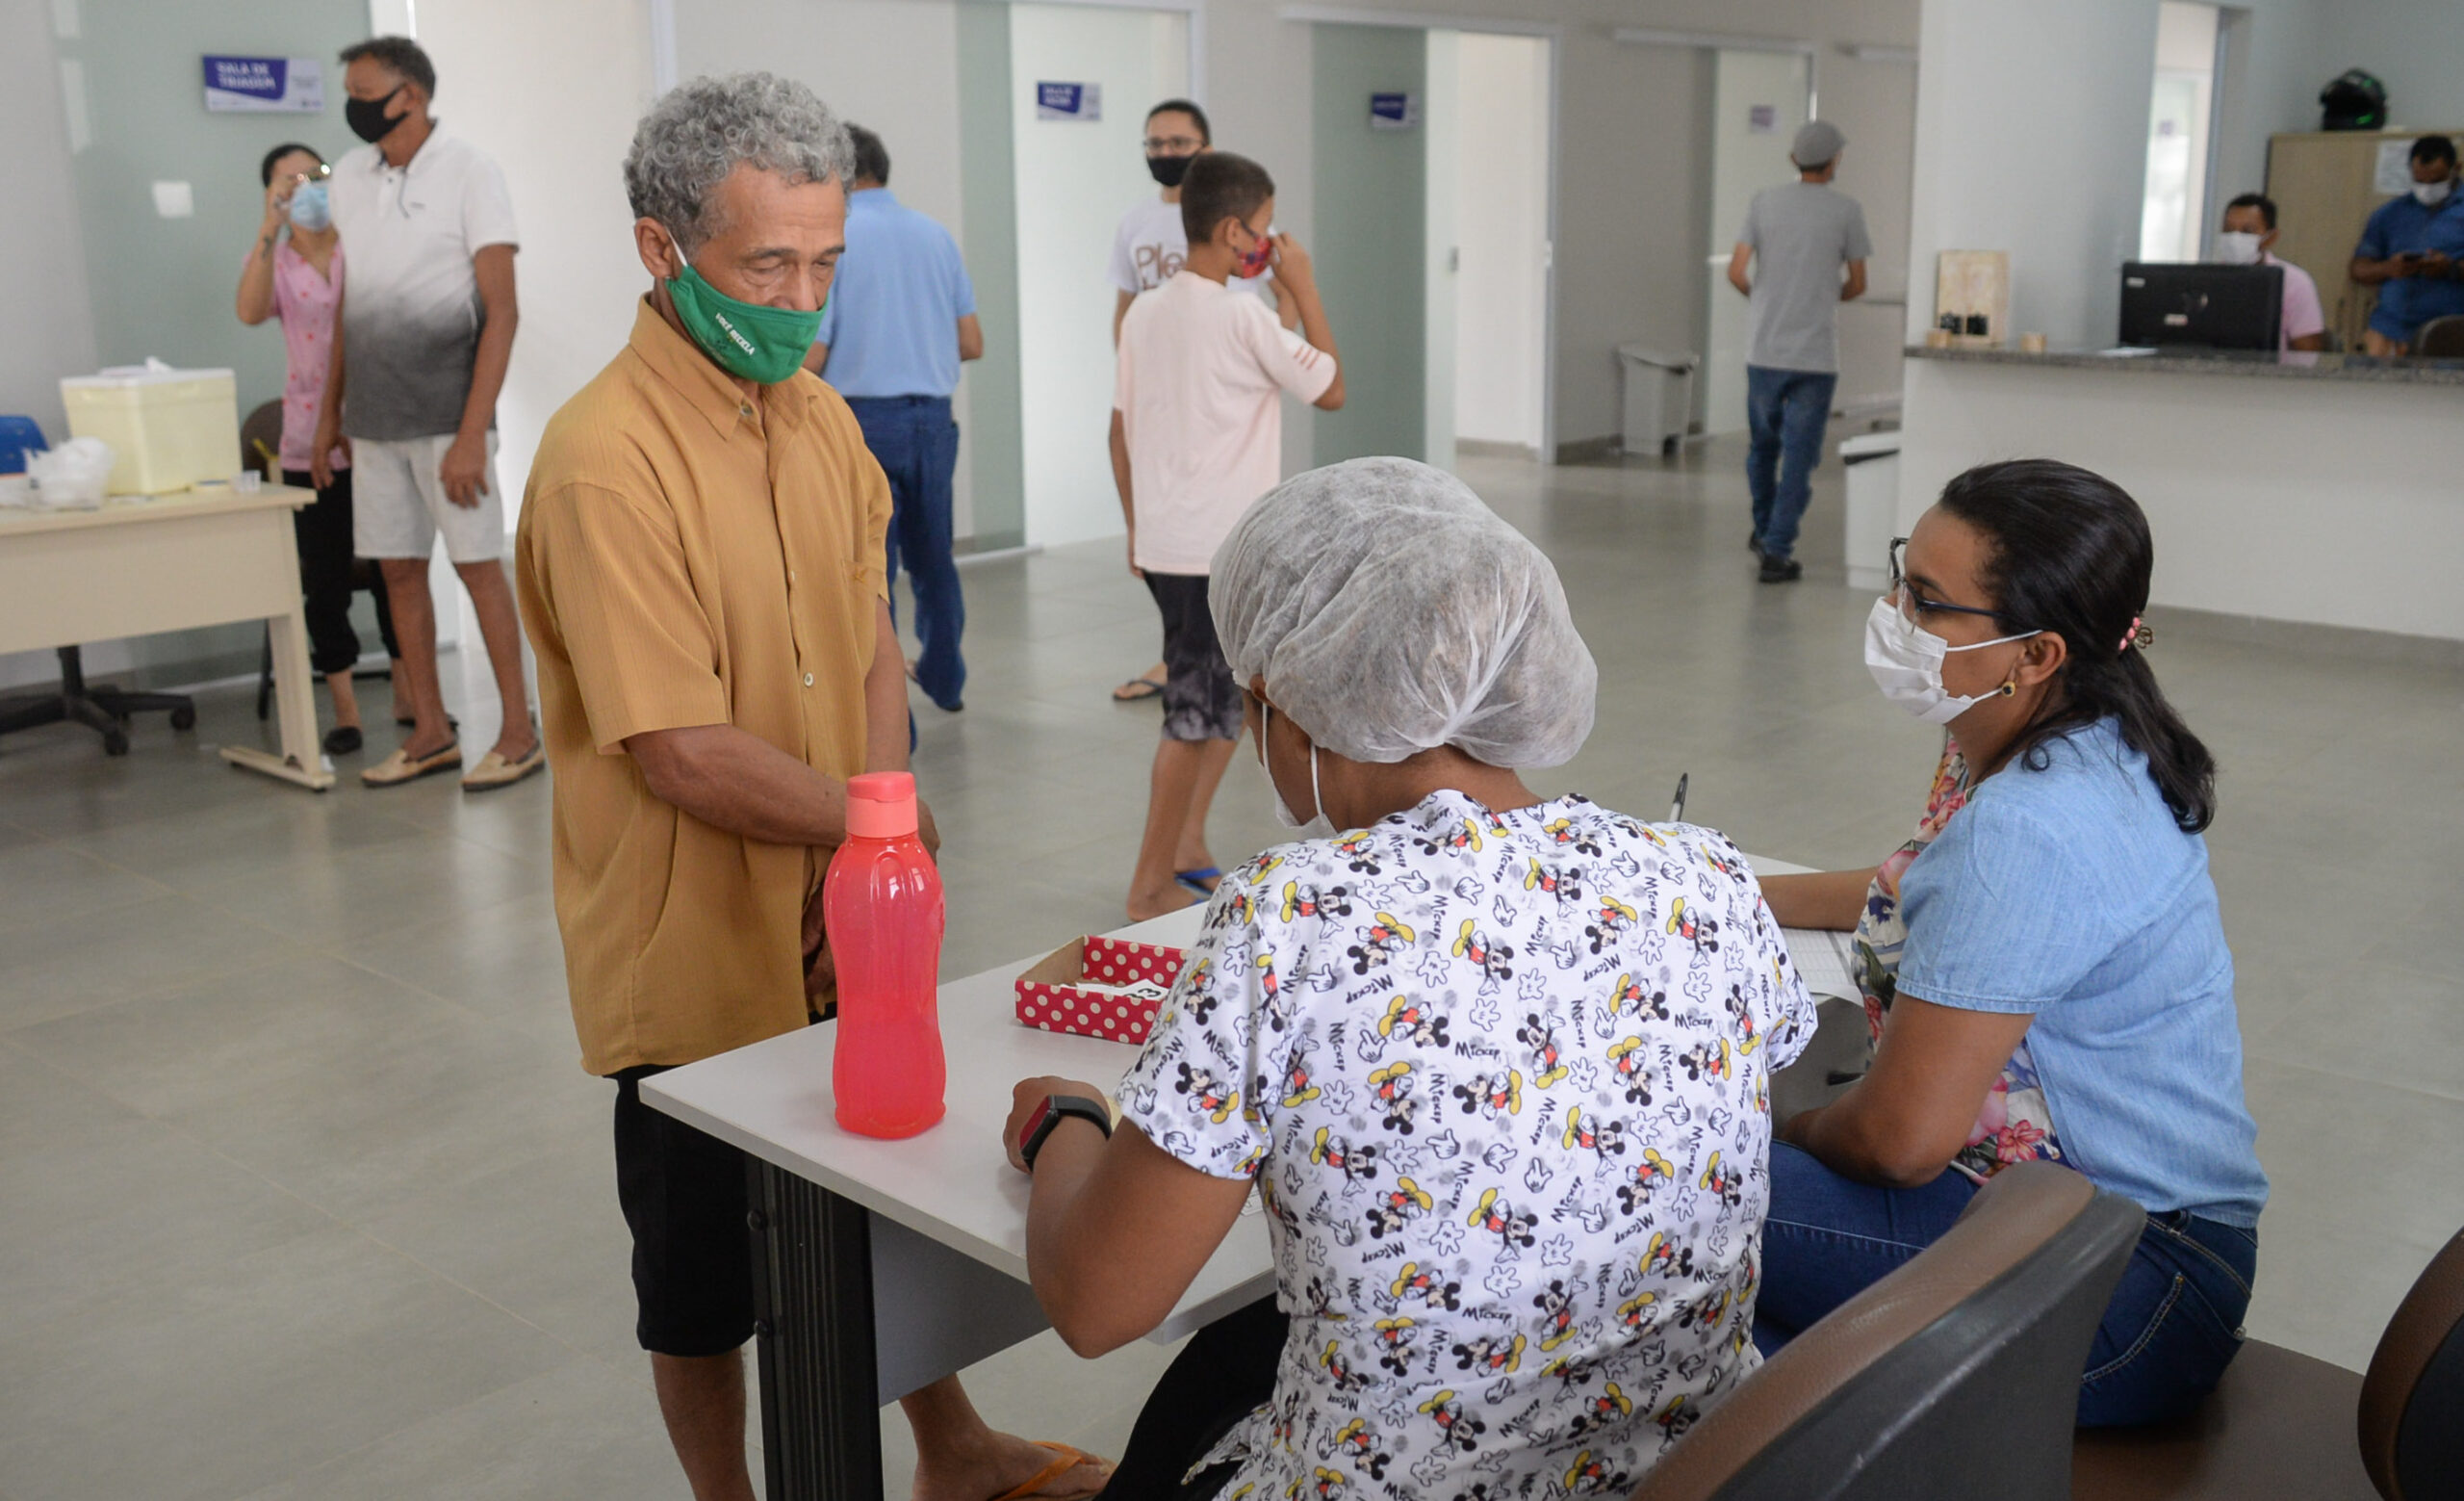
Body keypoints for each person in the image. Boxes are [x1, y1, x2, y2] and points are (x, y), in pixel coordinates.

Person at [1003, 456, 1817, 1501]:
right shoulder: (1703, 873)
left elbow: (1097, 1301)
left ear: (1284, 706)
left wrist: (1065, 1125)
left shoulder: (1286, 917)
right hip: (1682, 1467)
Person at [516, 73, 1110, 1501]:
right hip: (693, 943)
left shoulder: (818, 422)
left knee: (870, 1200)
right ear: (664, 251)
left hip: (844, 905)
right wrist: (883, 827)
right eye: (765, 264)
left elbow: (870, 660)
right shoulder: (608, 463)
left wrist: (877, 828)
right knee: (704, 1266)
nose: (802, 297)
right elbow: (681, 749)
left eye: (824, 262)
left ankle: (950, 1445)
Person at [1754, 459, 2268, 1427]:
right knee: (1733, 1326)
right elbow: (1909, 884)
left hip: (2124, 1284)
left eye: (1928, 601)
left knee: (1665, 1181)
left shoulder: (2031, 823)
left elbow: (1899, 1142)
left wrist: (1782, 1119)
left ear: (2033, 654)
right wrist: (1722, 881)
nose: (1894, 610)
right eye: (1904, 572)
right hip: (2079, 1221)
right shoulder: (2050, 728)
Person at [1113, 151, 1342, 919]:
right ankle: (1149, 880)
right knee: (1194, 716)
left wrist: (1135, 527)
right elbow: (1331, 387)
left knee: (1225, 705)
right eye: (1265, 229)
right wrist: (1302, 288)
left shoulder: (1147, 310)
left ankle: (1186, 847)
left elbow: (1120, 430)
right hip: (1221, 551)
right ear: (1232, 229)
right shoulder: (1244, 313)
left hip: (1173, 543)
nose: (1269, 243)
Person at [315, 36, 540, 789]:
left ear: (409, 93)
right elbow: (351, 302)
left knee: (479, 570)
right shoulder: (349, 174)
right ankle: (433, 731)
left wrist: (474, 433)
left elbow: (502, 312)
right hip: (373, 421)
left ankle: (517, 730)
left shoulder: (471, 171)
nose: (352, 101)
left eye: (363, 88)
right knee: (399, 575)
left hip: (451, 420)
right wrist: (328, 416)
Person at [1108, 98, 1294, 707]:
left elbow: (1273, 302)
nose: (1166, 153)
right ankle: (1183, 656)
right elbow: (1126, 306)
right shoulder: (1135, 223)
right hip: (1158, 388)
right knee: (1165, 533)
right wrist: (1132, 374)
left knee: (1220, 536)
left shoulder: (1237, 228)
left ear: (1205, 149)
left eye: (1178, 143)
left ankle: (1225, 665)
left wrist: (1279, 350)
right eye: (1155, 144)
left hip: (1224, 395)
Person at [802, 124, 983, 715]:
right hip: (933, 421)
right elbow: (972, 341)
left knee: (871, 574)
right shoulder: (936, 236)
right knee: (935, 560)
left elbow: (816, 352)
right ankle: (945, 679)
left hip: (860, 426)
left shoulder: (837, 240)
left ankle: (891, 725)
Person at [234, 140, 401, 756]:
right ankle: (347, 709)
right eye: (289, 180)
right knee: (325, 580)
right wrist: (267, 227)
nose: (307, 184)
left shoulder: (362, 243)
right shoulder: (276, 261)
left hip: (375, 433)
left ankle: (411, 696)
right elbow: (249, 312)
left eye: (316, 173)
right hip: (308, 444)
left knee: (394, 568)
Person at [1726, 118, 1870, 584]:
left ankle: (1765, 529)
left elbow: (1736, 271)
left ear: (1794, 160)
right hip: (1815, 356)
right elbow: (1859, 282)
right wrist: (1824, 299)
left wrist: (1767, 303)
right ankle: (1777, 548)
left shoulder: (1764, 203)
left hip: (1764, 349)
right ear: (1834, 162)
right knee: (1800, 455)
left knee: (1762, 448)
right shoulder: (1846, 210)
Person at [2348, 134, 2464, 355]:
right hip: (2388, 330)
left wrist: (2449, 269)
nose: (2427, 188)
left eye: (2436, 181)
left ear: (2456, 168)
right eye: (2420, 181)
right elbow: (2358, 268)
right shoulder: (2389, 214)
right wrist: (2389, 268)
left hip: (2450, 333)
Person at [2212, 193, 2326, 352]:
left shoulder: (2294, 282)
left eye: (2247, 231)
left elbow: (2308, 352)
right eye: (2228, 230)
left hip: (2272, 374)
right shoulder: (2209, 278)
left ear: (2271, 237)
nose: (2235, 238)